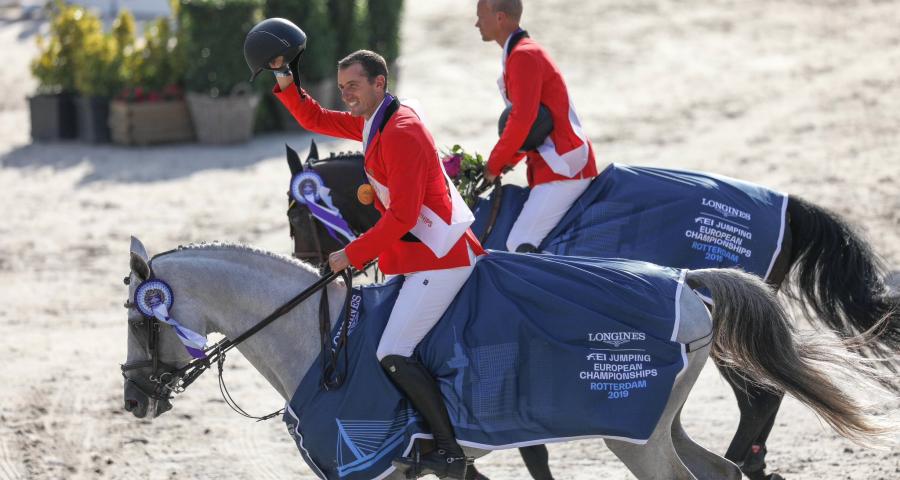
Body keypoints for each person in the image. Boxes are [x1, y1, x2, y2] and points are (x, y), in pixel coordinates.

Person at [269, 49, 485, 479]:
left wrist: (350, 253)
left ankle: (449, 451)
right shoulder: (377, 120)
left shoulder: (401, 130)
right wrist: (283, 75)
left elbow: (404, 216)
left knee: (391, 350)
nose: (346, 94)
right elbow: (316, 119)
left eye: (354, 85)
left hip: (440, 259)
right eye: (343, 85)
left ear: (379, 84)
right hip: (418, 256)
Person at [476, 0, 599, 253]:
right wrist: (508, 161)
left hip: (564, 168)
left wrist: (494, 165)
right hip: (554, 165)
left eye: (481, 16)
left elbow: (522, 121)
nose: (477, 23)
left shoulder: (523, 55)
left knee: (519, 242)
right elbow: (533, 129)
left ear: (500, 18)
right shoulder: (519, 53)